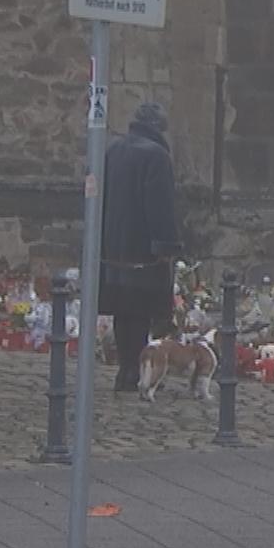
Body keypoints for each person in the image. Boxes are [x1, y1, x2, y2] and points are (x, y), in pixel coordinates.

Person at [101, 101, 182, 393]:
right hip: (143, 249)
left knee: (124, 312)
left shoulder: (113, 150)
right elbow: (160, 207)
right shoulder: (156, 157)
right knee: (141, 313)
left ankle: (127, 370)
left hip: (115, 247)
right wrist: (166, 245)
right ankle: (138, 371)